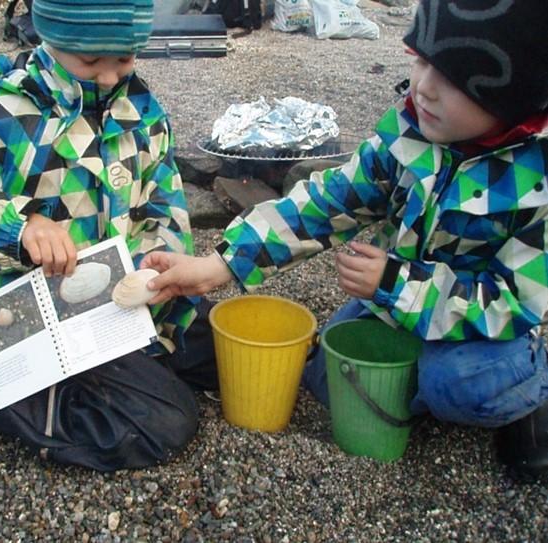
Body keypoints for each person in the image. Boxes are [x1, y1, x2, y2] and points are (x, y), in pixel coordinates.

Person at [142, 0, 548, 479]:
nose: (424, 87)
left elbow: (515, 302)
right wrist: (220, 265)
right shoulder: (410, 133)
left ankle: (526, 387)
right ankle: (412, 381)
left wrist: (396, 284)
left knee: (461, 386)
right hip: (397, 303)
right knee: (321, 377)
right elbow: (324, 204)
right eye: (419, 60)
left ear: (514, 95)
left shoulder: (535, 184)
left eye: (454, 79)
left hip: (481, 322)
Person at [0, 0, 218, 471]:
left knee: (227, 349)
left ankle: (132, 366)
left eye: (126, 58)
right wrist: (19, 226)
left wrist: (161, 260)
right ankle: (4, 384)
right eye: (92, 61)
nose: (112, 77)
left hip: (132, 307)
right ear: (49, 37)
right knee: (167, 423)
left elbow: (165, 201)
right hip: (52, 320)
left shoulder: (145, 113)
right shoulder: (0, 117)